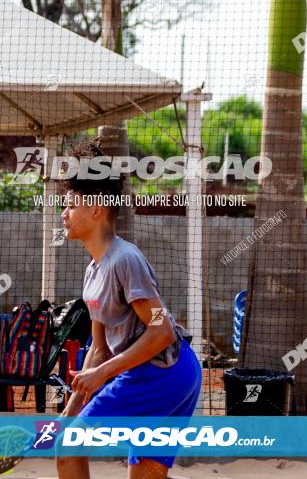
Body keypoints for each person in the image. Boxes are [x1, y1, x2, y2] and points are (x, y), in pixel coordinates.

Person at [56, 139, 201, 479]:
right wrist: (70, 409)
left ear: (95, 209)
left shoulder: (126, 260)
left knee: (70, 446)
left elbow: (161, 330)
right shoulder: (93, 271)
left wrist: (103, 374)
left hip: (162, 372)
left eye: (70, 206)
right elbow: (99, 349)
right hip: (169, 372)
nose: (63, 214)